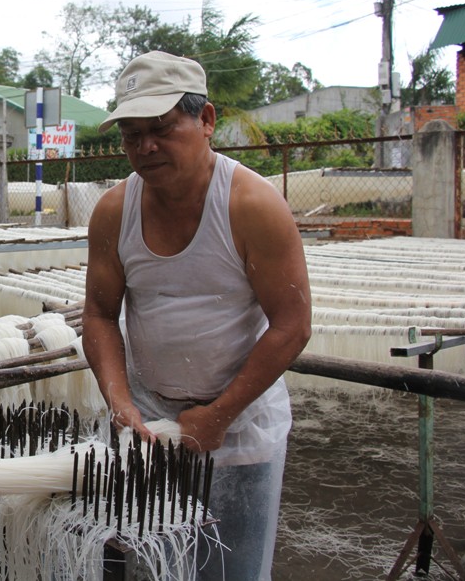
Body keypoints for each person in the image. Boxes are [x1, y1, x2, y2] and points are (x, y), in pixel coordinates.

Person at [82, 50, 312, 580]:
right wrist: (120, 404)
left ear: (206, 120)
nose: (146, 147)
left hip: (240, 426)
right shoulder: (115, 211)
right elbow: (98, 313)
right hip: (148, 423)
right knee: (146, 565)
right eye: (131, 135)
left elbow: (292, 325)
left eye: (161, 128)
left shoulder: (251, 204)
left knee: (227, 568)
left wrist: (219, 415)